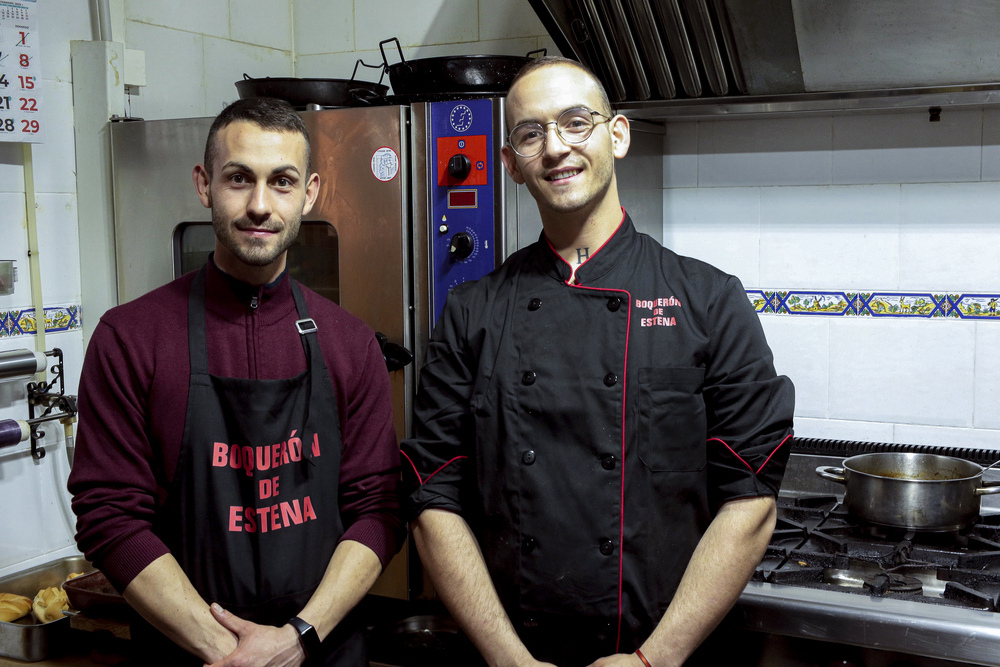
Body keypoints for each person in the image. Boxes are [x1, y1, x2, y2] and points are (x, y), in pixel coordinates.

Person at [400, 56, 795, 667]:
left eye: (575, 122)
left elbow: (751, 496)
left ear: (618, 134)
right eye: (531, 133)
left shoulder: (709, 299)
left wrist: (653, 659)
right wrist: (510, 660)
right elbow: (433, 495)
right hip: (511, 652)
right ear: (510, 164)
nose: (555, 147)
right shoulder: (472, 312)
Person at [68, 97, 404, 666]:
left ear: (310, 193)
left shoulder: (349, 342)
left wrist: (297, 639)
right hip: (189, 654)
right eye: (239, 178)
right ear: (204, 185)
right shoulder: (130, 337)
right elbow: (110, 515)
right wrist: (228, 652)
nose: (259, 205)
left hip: (322, 649)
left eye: (282, 182)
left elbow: (378, 509)